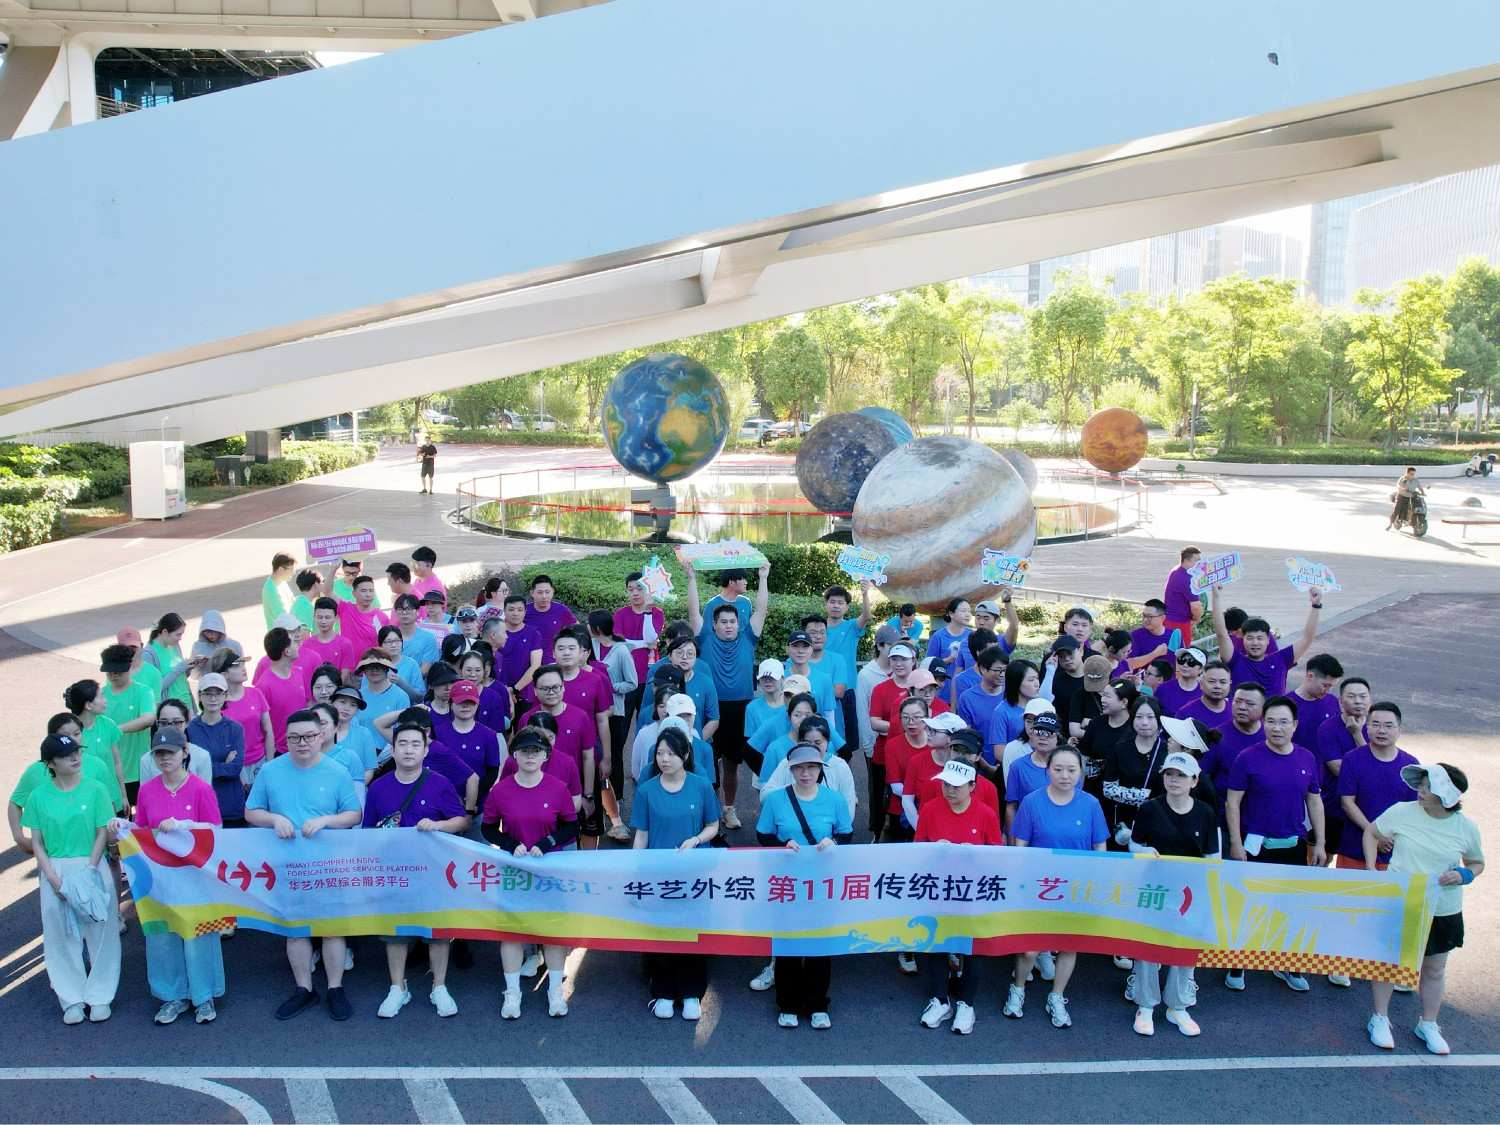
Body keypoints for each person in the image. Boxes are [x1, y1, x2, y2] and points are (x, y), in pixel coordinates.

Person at [244, 709, 362, 1021]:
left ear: (321, 736)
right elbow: (251, 811)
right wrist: (274, 818)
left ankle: (335, 988)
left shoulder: (337, 771)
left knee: (332, 929)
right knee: (295, 930)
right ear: (286, 739)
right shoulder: (271, 771)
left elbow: (354, 814)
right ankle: (304, 989)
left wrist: (326, 821)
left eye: (309, 736)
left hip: (329, 864)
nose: (302, 743)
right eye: (294, 738)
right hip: (287, 864)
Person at [1364, 763, 1483, 1055]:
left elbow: (1476, 863)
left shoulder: (1466, 828)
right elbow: (1371, 832)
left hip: (1443, 909)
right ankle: (1379, 1018)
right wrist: (1372, 870)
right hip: (1400, 902)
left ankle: (1428, 1023)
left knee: (1434, 969)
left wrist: (1464, 875)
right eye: (1422, 785)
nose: (1421, 791)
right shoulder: (1401, 812)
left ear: (1446, 796)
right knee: (1388, 963)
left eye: (1429, 788)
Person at [364, 719, 470, 1018]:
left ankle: (439, 986)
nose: (408, 750)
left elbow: (461, 820)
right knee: (395, 933)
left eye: (415, 744)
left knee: (437, 933)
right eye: (402, 744)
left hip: (432, 872)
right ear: (393, 749)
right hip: (393, 872)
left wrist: (438, 825)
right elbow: (368, 831)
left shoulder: (439, 783)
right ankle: (398, 987)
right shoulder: (378, 787)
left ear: (425, 750)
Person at [1225, 695, 1325, 993]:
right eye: (1270, 721)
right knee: (1247, 908)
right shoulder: (1247, 757)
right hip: (1256, 846)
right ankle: (1237, 964)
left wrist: (1320, 842)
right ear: (1262, 722)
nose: (1276, 728)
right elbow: (1232, 803)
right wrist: (1235, 843)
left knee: (1291, 909)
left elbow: (1315, 801)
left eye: (1283, 722)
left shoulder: (1307, 758)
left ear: (1295, 725)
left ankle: (1288, 965)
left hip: (1293, 846)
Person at [127, 727, 226, 1025]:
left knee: (200, 934)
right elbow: (141, 830)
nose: (165, 758)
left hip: (195, 875)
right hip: (160, 876)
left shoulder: (200, 789)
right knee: (162, 936)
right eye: (159, 753)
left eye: (170, 752)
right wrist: (121, 828)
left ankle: (204, 995)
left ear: (184, 753)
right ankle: (172, 996)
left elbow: (216, 830)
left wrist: (184, 825)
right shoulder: (147, 790)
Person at [1007, 746, 1109, 1027]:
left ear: (1081, 772)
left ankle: (1057, 995)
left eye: (1071, 770)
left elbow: (1099, 847)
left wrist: (1096, 883)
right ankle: (1018, 988)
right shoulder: (1032, 802)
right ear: (1047, 770)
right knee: (1029, 949)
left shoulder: (1090, 804)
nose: (1065, 775)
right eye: (1058, 769)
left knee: (1068, 945)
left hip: (1075, 889)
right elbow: (1020, 847)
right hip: (1038, 888)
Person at [481, 729, 577, 1018]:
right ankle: (512, 993)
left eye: (536, 751)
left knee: (552, 932)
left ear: (546, 755)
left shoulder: (558, 788)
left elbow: (571, 825)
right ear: (515, 755)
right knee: (511, 933)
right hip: (515, 870)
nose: (530, 756)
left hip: (549, 871)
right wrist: (510, 844)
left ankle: (555, 991)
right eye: (524, 751)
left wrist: (547, 843)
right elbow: (488, 828)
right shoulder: (501, 791)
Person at [24, 733, 120, 1024]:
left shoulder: (96, 789)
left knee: (101, 929)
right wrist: (53, 879)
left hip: (91, 865)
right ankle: (72, 999)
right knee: (60, 934)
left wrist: (90, 869)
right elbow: (37, 841)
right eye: (66, 756)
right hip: (55, 867)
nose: (75, 758)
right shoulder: (38, 796)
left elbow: (102, 831)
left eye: (77, 752)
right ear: (51, 764)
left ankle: (100, 996)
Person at [756, 743, 852, 1029]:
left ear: (821, 770)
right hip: (786, 882)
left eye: (811, 767)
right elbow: (763, 835)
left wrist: (833, 842)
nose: (806, 773)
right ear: (791, 770)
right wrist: (782, 845)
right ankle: (787, 1003)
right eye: (799, 768)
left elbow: (846, 834)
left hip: (822, 883)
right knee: (788, 944)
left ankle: (818, 1004)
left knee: (819, 945)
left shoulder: (834, 800)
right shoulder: (776, 800)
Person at [631, 727, 721, 1020]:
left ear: (685, 754)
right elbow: (641, 835)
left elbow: (713, 826)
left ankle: (692, 992)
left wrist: (696, 840)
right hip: (659, 877)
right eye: (660, 753)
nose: (664, 759)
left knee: (692, 932)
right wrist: (635, 873)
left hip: (695, 874)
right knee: (662, 933)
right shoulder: (646, 790)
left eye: (670, 753)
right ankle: (664, 991)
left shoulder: (701, 786)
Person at [1126, 751, 1218, 1037]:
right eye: (1169, 774)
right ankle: (1145, 1005)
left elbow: (1213, 856)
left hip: (1189, 894)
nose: (1174, 780)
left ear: (1194, 780)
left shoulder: (1205, 813)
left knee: (1184, 948)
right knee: (1147, 947)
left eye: (1181, 775)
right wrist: (1144, 851)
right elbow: (1133, 845)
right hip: (1154, 890)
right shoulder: (1149, 809)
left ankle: (1178, 1006)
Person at [916, 758, 1000, 1035]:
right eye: (946, 785)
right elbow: (917, 850)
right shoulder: (930, 810)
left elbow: (996, 856)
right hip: (939, 890)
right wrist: (935, 850)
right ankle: (940, 999)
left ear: (972, 786)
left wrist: (973, 855)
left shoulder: (986, 814)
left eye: (957, 786)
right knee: (937, 944)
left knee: (973, 947)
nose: (950, 790)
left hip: (973, 893)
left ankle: (967, 1004)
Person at [1211, 584, 1324, 696]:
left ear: (1268, 640)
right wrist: (1216, 597)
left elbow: (1307, 638)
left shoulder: (1281, 659)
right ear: (1243, 639)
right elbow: (1221, 634)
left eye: (1260, 638)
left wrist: (1316, 606)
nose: (1255, 642)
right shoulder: (1236, 661)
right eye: (1250, 638)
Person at [1100, 695, 1168, 845]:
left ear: (1159, 719)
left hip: (1157, 821)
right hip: (1124, 823)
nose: (1144, 722)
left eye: (1150, 717)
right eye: (1139, 717)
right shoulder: (1120, 748)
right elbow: (1108, 789)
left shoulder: (1167, 751)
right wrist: (1143, 796)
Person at [99, 642, 159, 808]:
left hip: (139, 772)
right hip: (110, 773)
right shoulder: (100, 695)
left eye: (118, 671)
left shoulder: (143, 692)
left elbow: (148, 719)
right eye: (109, 671)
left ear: (129, 667)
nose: (113, 675)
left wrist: (116, 730)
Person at [63, 680, 127, 821]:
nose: (105, 700)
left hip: (112, 798)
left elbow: (117, 762)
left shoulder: (108, 725)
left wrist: (123, 796)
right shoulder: (69, 732)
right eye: (101, 696)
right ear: (88, 705)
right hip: (84, 802)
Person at [823, 582, 873, 742]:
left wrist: (865, 593)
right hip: (824, 689)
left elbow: (866, 616)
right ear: (826, 604)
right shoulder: (818, 629)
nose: (836, 606)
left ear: (847, 607)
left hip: (847, 689)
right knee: (824, 735)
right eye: (832, 602)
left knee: (849, 739)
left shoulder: (851, 626)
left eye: (840, 602)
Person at [1005, 711, 1060, 837]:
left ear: (1058, 737)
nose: (1043, 737)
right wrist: (1012, 842)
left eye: (1049, 732)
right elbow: (1011, 807)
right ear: (1031, 735)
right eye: (1038, 731)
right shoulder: (1017, 767)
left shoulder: (1069, 767)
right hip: (1027, 834)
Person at [985, 660, 1047, 759]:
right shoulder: (1002, 712)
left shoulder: (1042, 705)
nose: (1037, 684)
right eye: (1031, 680)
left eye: (1037, 678)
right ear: (1016, 683)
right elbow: (999, 753)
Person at [137, 706, 212, 786]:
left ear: (187, 722)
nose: (170, 727)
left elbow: (205, 790)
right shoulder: (147, 760)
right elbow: (146, 792)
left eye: (177, 722)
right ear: (157, 724)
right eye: (164, 722)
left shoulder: (202, 756)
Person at [144, 613, 197, 711]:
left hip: (187, 704)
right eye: (178, 634)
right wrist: (179, 668)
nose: (180, 638)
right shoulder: (148, 654)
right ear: (165, 632)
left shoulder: (175, 645)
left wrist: (189, 667)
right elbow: (154, 689)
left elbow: (180, 677)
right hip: (170, 711)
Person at [336, 575, 390, 657]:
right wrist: (333, 569)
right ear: (354, 593)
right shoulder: (346, 609)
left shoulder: (382, 617)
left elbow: (386, 644)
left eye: (371, 591)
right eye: (364, 591)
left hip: (372, 663)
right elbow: (327, 591)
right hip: (348, 663)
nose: (368, 595)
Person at [926, 597, 975, 685]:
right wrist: (949, 659)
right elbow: (928, 664)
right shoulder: (938, 636)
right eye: (963, 611)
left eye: (969, 611)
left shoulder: (973, 636)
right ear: (951, 614)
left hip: (966, 687)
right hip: (943, 687)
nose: (968, 615)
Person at [525, 574, 577, 655]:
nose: (544, 596)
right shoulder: (524, 611)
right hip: (529, 658)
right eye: (540, 592)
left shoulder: (561, 610)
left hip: (554, 659)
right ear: (532, 593)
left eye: (547, 592)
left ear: (552, 591)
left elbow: (578, 630)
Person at [1126, 599, 1180, 672]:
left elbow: (1181, 664)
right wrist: (1155, 654)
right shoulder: (1135, 636)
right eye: (1144, 616)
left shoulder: (1174, 636)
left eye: (1150, 616)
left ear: (1162, 618)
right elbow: (1128, 664)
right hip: (1143, 678)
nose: (1145, 620)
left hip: (1168, 678)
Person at [1163, 546, 1203, 643]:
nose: (1200, 564)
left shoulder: (1176, 570)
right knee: (1182, 650)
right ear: (1187, 560)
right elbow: (1196, 606)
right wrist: (1197, 619)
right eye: (1197, 561)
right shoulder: (1188, 579)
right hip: (1180, 624)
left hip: (1167, 620)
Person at [1153, 647, 1205, 717]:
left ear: (1201, 669)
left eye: (1191, 662)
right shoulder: (1163, 688)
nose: (1185, 665)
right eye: (1182, 660)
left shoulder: (1205, 693)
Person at [1178, 659, 1231, 726]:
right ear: (1201, 684)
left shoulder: (1236, 710)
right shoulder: (1186, 713)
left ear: (1230, 684)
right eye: (1212, 681)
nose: (1217, 686)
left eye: (1223, 682)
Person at [263, 552, 296, 629]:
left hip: (289, 630)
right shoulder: (270, 589)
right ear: (281, 570)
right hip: (280, 634)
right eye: (291, 570)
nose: (293, 573)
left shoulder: (282, 582)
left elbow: (293, 602)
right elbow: (283, 617)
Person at [1386, 466, 1425, 530]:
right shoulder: (1403, 479)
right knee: (1396, 510)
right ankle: (1390, 524)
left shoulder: (1415, 480)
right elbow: (1398, 485)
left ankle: (1412, 520)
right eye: (1411, 474)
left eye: (1414, 474)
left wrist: (1423, 492)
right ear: (1407, 473)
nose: (1413, 475)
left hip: (1411, 496)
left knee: (1415, 507)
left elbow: (1420, 487)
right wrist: (1402, 488)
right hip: (1401, 496)